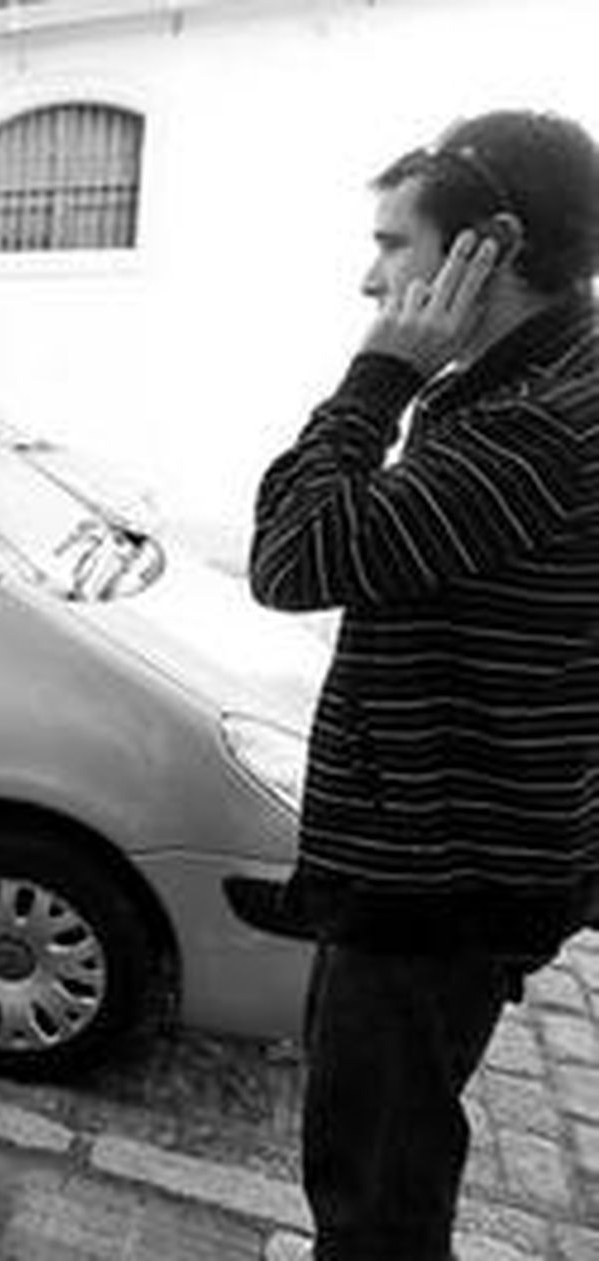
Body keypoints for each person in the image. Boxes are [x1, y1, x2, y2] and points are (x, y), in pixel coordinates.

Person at [243, 109, 599, 1259]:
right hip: (454, 860)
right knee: (381, 1153)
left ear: (485, 249)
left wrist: (375, 377)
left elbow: (291, 557)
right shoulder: (542, 381)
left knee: (374, 1194)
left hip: (435, 883)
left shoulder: (534, 426)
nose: (369, 276)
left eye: (395, 245)